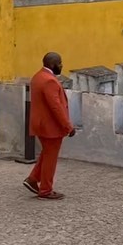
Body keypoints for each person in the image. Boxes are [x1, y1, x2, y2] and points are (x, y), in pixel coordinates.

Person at [24, 52, 76, 200]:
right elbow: (56, 107)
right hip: (50, 127)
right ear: (53, 64)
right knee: (50, 158)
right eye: (60, 63)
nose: (61, 66)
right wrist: (68, 126)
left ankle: (33, 179)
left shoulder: (37, 76)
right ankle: (46, 189)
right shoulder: (49, 81)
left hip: (40, 124)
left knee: (47, 153)